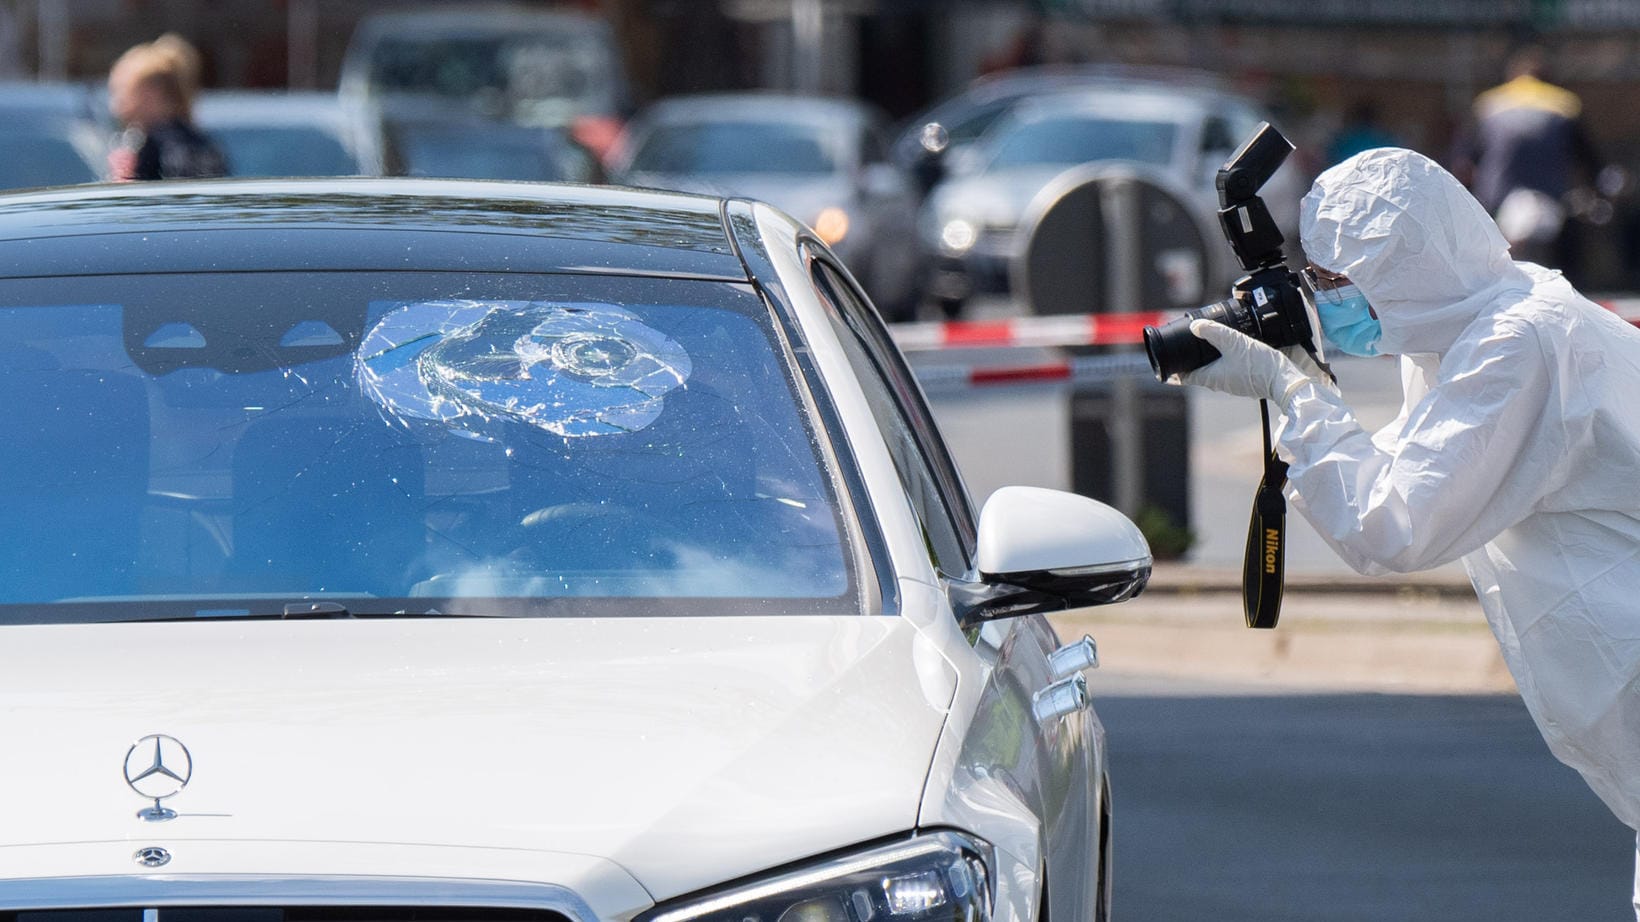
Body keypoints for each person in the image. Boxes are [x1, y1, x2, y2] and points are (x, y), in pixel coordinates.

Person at [1175, 147, 1640, 914]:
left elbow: (1390, 528)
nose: (1324, 302)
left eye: (1331, 282)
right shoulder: (1479, 324)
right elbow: (1403, 470)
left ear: (1403, 270)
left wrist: (1291, 394)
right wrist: (1302, 384)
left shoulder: (1517, 345)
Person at [1452, 44, 1602, 278]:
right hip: (1551, 193)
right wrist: (1596, 186)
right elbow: (1588, 158)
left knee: (1493, 255)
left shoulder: (1489, 103)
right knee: (1567, 257)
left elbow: (1464, 160)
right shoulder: (1564, 103)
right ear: (1549, 79)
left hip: (1498, 195)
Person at [106, 36, 227, 182]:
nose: (115, 104)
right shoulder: (206, 145)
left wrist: (123, 177)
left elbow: (136, 202)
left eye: (121, 91)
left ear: (150, 93)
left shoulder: (148, 147)